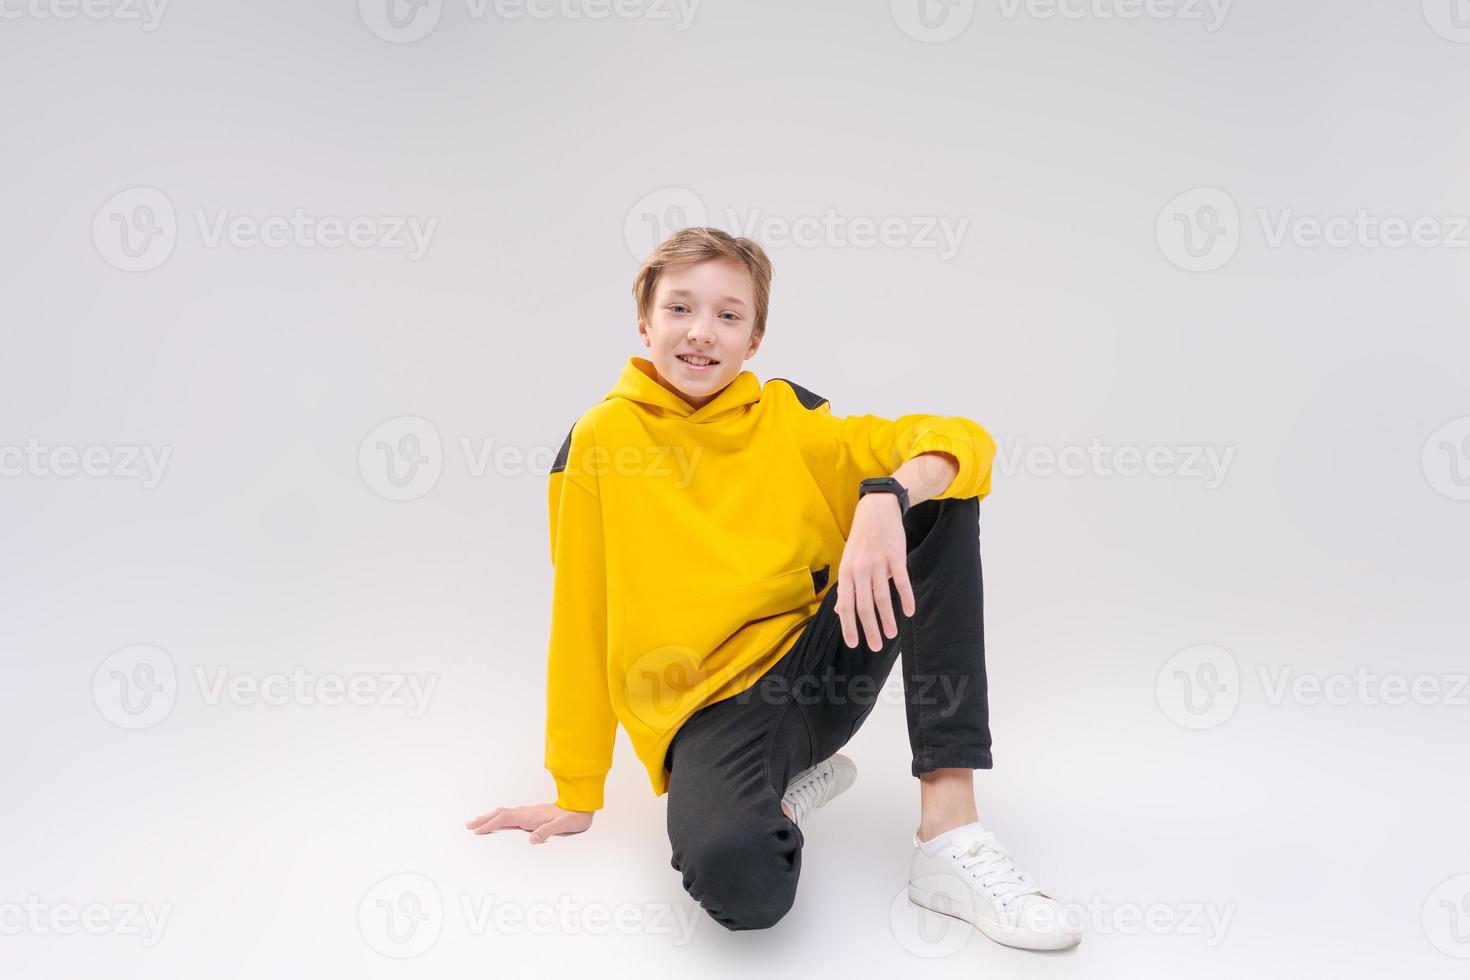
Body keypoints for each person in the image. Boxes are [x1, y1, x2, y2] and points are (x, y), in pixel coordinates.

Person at [465, 227, 1080, 950]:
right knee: (744, 890)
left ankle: (950, 832)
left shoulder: (790, 420)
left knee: (938, 493)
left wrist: (885, 497)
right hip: (707, 714)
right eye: (680, 309)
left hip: (823, 663)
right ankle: (781, 792)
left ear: (754, 339)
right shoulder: (600, 441)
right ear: (644, 322)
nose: (702, 332)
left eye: (729, 315)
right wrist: (577, 788)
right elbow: (580, 612)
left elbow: (962, 439)